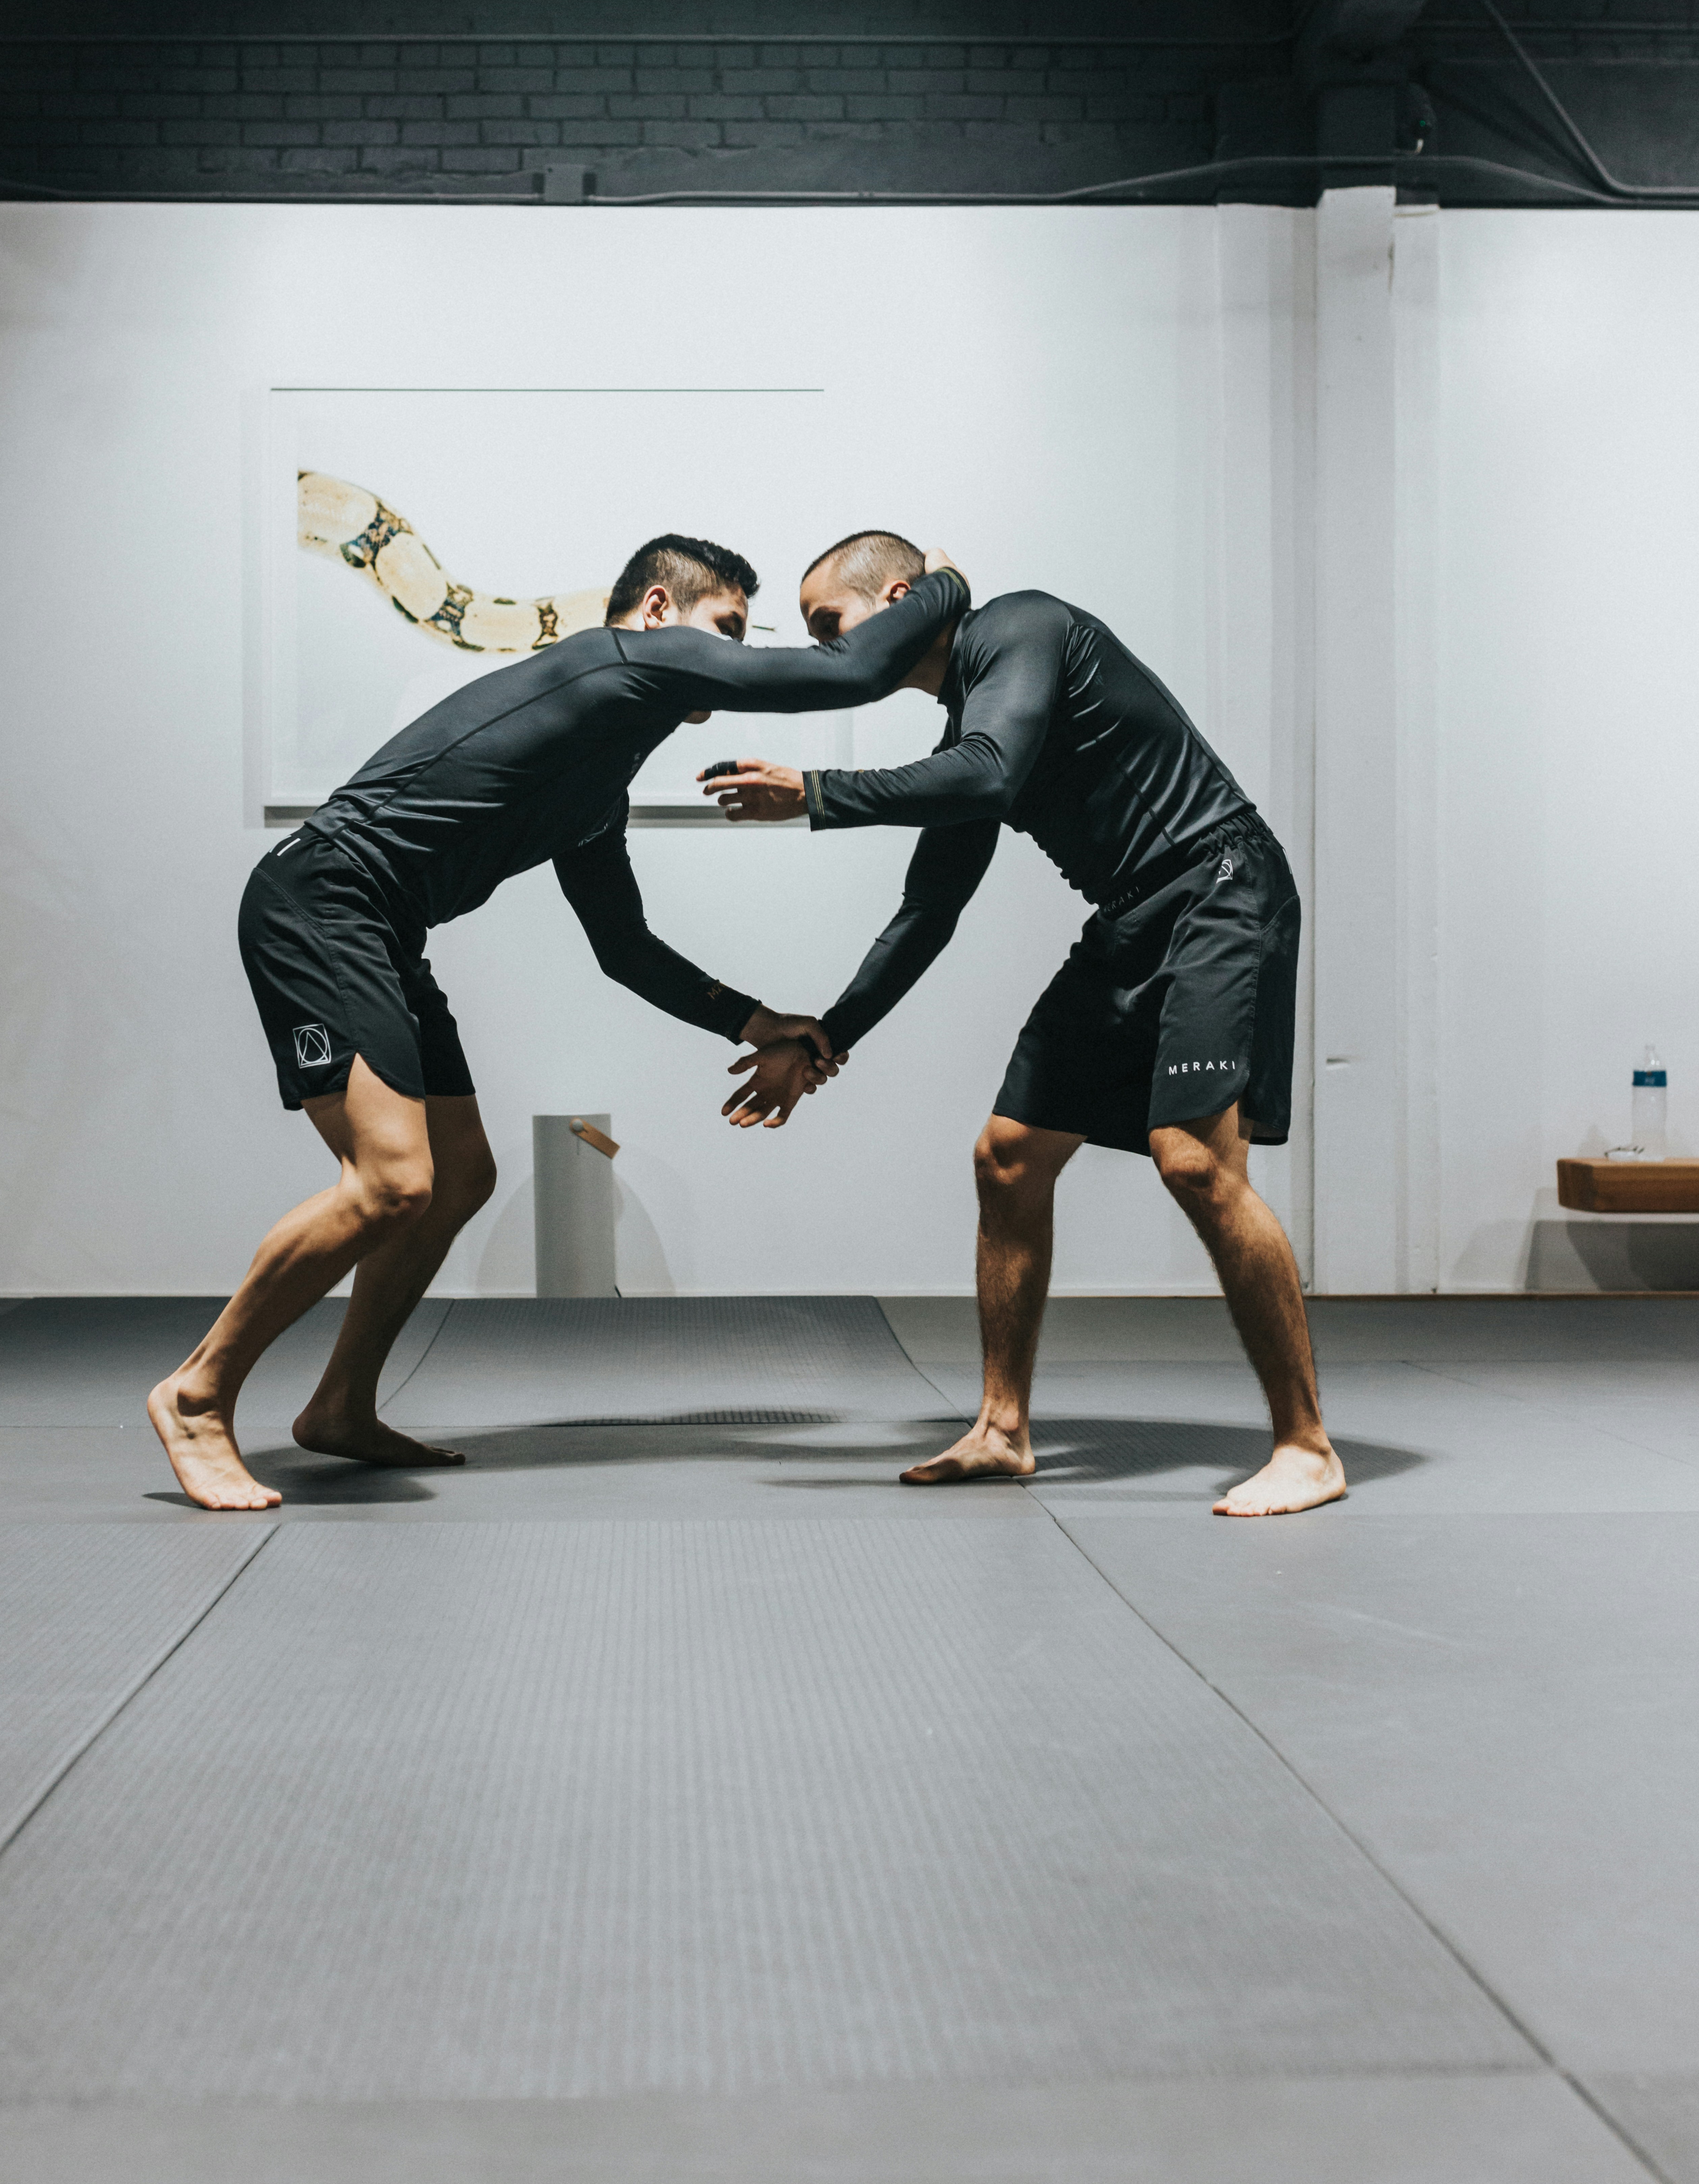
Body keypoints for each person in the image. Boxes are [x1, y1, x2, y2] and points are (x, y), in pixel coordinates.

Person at [149, 534, 969, 1511]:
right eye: (729, 630)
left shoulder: (595, 782)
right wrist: (950, 584)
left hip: (383, 928)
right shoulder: (619, 659)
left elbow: (624, 948)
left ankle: (339, 1406)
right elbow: (850, 669)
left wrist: (756, 1021)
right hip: (321, 900)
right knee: (390, 1182)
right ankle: (197, 1393)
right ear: (659, 611)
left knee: (457, 1178)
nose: (738, 655)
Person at [707, 530, 1344, 1519]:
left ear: (903, 596)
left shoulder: (1020, 626)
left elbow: (991, 776)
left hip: (1218, 882)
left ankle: (1306, 1446)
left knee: (1194, 1161)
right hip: (1132, 914)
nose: (831, 649)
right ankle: (1002, 1431)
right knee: (1007, 1156)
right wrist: (824, 1037)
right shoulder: (972, 723)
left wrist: (817, 794)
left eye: (832, 624)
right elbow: (929, 910)